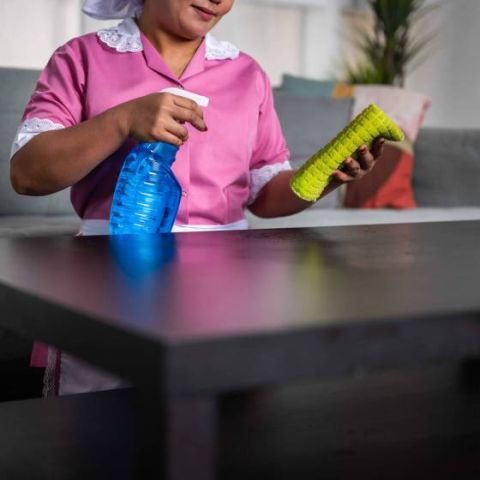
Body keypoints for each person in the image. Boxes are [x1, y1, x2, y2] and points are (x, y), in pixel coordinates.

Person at [10, 0, 385, 395]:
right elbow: (27, 175)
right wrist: (121, 121)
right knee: (101, 419)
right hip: (109, 282)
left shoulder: (247, 75)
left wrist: (327, 178)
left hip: (225, 294)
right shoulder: (81, 58)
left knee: (224, 420)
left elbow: (263, 193)